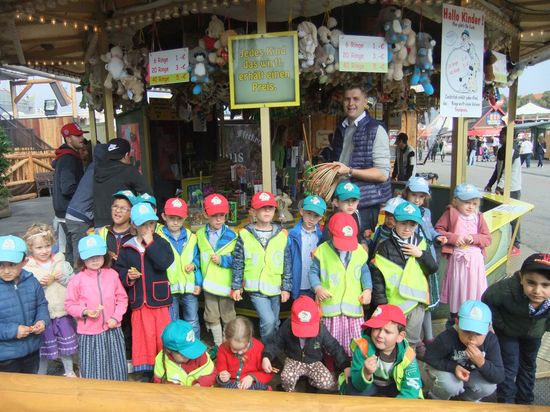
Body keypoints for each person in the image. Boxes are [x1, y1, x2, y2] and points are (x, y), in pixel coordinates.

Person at [115, 202, 174, 381]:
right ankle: (147, 371)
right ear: (134, 225)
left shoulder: (161, 242)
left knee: (162, 336)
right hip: (140, 301)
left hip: (159, 300)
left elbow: (164, 262)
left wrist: (150, 243)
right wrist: (129, 276)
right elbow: (119, 271)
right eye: (142, 224)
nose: (147, 228)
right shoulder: (126, 247)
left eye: (150, 223)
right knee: (144, 338)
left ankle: (166, 368)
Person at [482, 253, 550, 405]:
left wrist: (546, 326)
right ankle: (506, 401)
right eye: (531, 283)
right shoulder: (505, 290)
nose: (537, 291)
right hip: (508, 333)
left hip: (533, 335)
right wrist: (500, 325)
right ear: (521, 278)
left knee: (528, 365)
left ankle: (525, 401)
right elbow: (487, 299)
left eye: (545, 285)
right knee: (509, 366)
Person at [370, 202, 438, 352]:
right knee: (389, 341)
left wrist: (420, 255)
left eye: (412, 225)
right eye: (403, 224)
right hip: (393, 304)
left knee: (411, 341)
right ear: (395, 221)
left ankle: (407, 369)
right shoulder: (384, 247)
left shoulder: (421, 244)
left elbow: (433, 268)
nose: (407, 229)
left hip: (416, 303)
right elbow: (378, 279)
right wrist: (382, 305)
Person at [65, 235, 128, 381]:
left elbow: (122, 298)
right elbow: (69, 304)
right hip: (89, 334)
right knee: (93, 370)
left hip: (112, 329)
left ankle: (117, 394)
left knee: (116, 367)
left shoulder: (112, 275)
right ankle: (93, 397)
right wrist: (85, 312)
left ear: (104, 256)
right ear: (82, 259)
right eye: (90, 257)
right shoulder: (77, 280)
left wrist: (115, 317)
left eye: (98, 256)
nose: (94, 260)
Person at [231, 191, 291, 343]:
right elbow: (238, 262)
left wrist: (286, 287)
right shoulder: (245, 234)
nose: (266, 212)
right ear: (254, 212)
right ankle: (267, 352)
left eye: (270, 208)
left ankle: (272, 352)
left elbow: (287, 263)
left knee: (275, 322)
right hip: (255, 288)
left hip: (275, 286)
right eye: (262, 208)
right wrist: (236, 286)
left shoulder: (282, 234)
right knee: (269, 321)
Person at [309, 212, 372, 357]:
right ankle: (331, 368)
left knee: (355, 341)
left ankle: (352, 367)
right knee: (331, 341)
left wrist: (368, 289)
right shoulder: (322, 251)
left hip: (353, 307)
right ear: (331, 234)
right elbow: (312, 273)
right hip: (331, 308)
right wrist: (318, 288)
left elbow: (365, 272)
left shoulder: (359, 252)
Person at [331, 84, 392, 233]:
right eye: (347, 99)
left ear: (365, 102)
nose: (351, 103)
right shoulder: (341, 128)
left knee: (361, 251)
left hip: (364, 205)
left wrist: (350, 171)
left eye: (356, 99)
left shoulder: (376, 129)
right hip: (341, 202)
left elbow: (383, 174)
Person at [262, 295, 350, 392]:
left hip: (313, 362)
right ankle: (288, 389)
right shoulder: (287, 326)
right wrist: (267, 356)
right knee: (286, 378)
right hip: (293, 360)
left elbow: (334, 347)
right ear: (292, 320)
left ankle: (310, 382)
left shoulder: (321, 329)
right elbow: (276, 342)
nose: (304, 335)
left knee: (328, 383)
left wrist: (345, 365)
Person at [22, 224, 77, 377]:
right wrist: (38, 284)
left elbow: (73, 283)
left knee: (65, 345)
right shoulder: (28, 268)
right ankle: (41, 375)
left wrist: (63, 278)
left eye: (47, 246)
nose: (44, 251)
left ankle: (69, 371)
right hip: (41, 316)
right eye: (39, 247)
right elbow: (25, 290)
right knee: (44, 347)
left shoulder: (61, 262)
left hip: (62, 311)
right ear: (30, 248)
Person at [424, 300, 504, 401]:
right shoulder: (447, 337)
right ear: (457, 323)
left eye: (478, 333)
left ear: (488, 328)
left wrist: (482, 363)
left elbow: (499, 376)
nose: (472, 338)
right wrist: (453, 368)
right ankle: (435, 398)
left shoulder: (491, 340)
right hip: (446, 369)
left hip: (470, 373)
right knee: (450, 386)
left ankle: (465, 400)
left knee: (489, 386)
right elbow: (429, 356)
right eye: (466, 331)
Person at [435, 184, 491, 322]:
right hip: (458, 260)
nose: (470, 206)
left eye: (474, 203)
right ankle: (456, 317)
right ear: (456, 201)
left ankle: (474, 315)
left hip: (475, 262)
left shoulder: (478, 216)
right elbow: (438, 230)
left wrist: (475, 238)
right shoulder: (450, 213)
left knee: (474, 289)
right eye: (466, 202)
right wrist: (454, 238)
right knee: (458, 288)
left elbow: (487, 238)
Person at [401, 177, 443, 356]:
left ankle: (429, 337)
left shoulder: (425, 212)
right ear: (407, 193)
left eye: (421, 196)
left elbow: (430, 229)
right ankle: (415, 339)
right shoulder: (402, 211)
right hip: (412, 262)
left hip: (427, 258)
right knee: (416, 302)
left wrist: (437, 236)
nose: (417, 200)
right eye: (414, 195)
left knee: (427, 300)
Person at [342, 304, 423, 398]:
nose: (380, 335)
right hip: (370, 384)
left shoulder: (408, 355)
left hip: (394, 384)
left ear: (400, 336)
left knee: (414, 395)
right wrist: (365, 373)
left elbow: (412, 386)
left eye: (387, 332)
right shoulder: (362, 347)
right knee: (351, 392)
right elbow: (358, 385)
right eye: (376, 328)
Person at [0, 235, 49, 374]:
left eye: (12, 264)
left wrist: (42, 320)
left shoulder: (31, 281)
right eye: (1, 265)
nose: (6, 270)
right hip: (5, 356)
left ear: (24, 262)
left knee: (29, 386)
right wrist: (13, 331)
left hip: (31, 350)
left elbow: (41, 304)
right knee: (9, 392)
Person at [196, 193, 237, 347]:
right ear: (206, 214)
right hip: (208, 283)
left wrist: (223, 260)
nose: (218, 219)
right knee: (211, 314)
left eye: (222, 215)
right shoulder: (199, 235)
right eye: (214, 216)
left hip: (226, 283)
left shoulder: (232, 235)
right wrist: (198, 280)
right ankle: (219, 344)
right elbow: (196, 257)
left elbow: (238, 260)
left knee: (228, 314)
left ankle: (227, 343)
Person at [157, 198, 202, 337]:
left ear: (185, 218)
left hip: (189, 285)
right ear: (164, 216)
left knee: (192, 320)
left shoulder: (191, 237)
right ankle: (174, 350)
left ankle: (196, 349)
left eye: (179, 218)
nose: (175, 222)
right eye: (171, 218)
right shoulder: (158, 236)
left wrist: (195, 273)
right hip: (169, 287)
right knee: (172, 321)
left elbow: (197, 258)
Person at [94, 137, 151, 228]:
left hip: (99, 225)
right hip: (122, 225)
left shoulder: (96, 170)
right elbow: (148, 195)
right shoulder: (128, 171)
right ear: (126, 155)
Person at [65, 144, 108, 259]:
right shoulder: (100, 171)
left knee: (71, 252)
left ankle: (71, 274)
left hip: (72, 213)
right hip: (80, 217)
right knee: (81, 255)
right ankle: (78, 276)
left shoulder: (91, 167)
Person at [52, 122, 87, 264]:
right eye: (77, 136)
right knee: (76, 254)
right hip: (70, 213)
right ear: (68, 139)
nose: (82, 138)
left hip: (63, 213)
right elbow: (67, 188)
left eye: (82, 135)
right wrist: (85, 197)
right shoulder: (68, 159)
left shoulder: (67, 157)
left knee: (68, 251)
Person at [484, 127, 521, 256]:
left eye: (503, 135)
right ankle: (502, 242)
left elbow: (507, 172)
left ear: (510, 136)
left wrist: (499, 187)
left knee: (513, 217)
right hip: (502, 187)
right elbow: (498, 170)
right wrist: (490, 184)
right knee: (501, 215)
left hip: (512, 188)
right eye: (501, 135)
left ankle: (516, 244)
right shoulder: (501, 150)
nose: (500, 137)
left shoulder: (512, 151)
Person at [215, 316, 273, 390]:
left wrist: (252, 377)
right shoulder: (223, 349)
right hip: (231, 385)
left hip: (253, 385)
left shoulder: (258, 347)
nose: (239, 352)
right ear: (228, 341)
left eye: (244, 348)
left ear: (249, 339)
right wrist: (222, 377)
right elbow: (219, 371)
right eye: (235, 349)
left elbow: (268, 373)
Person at [153, 320, 216, 386]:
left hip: (201, 394)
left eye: (192, 349)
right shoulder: (161, 360)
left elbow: (213, 374)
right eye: (184, 353)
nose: (189, 355)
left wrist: (200, 384)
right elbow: (158, 383)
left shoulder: (201, 355)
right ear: (169, 350)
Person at [287, 195, 326, 300]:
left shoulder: (322, 237)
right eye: (309, 213)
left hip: (317, 286)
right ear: (301, 212)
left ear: (321, 217)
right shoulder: (292, 235)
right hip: (298, 285)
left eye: (316, 215)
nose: (312, 218)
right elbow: (287, 261)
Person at [94, 190, 138, 263]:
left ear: (131, 213)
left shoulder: (136, 234)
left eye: (123, 208)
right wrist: (106, 255)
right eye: (115, 206)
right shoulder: (102, 232)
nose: (117, 210)